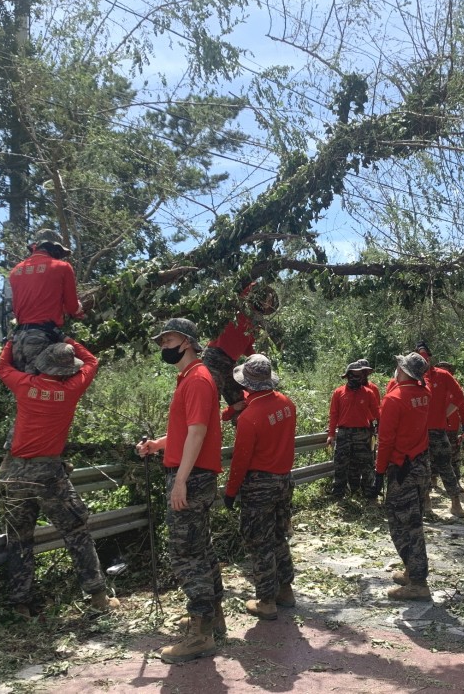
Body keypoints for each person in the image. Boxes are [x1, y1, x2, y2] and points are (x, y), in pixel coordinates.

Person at [0, 337, 118, 619]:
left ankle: (21, 604)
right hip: (49, 473)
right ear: (67, 371)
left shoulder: (25, 385)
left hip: (14, 473)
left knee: (18, 537)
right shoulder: (72, 390)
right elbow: (92, 361)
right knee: (75, 531)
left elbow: (3, 367)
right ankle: (98, 596)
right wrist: (68, 339)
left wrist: (12, 341)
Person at [137, 318, 225, 664]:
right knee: (200, 548)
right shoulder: (189, 378)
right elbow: (186, 431)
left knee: (187, 554)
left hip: (192, 477)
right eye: (161, 342)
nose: (164, 347)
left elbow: (198, 433)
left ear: (186, 342)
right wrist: (159, 445)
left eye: (168, 340)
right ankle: (212, 618)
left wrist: (180, 479)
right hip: (192, 472)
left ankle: (199, 633)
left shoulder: (198, 379)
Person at [223, 354, 298, 621]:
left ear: (247, 384)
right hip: (284, 480)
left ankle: (266, 600)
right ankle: (285, 590)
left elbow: (240, 460)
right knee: (279, 535)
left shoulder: (250, 418)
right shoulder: (287, 404)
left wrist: (230, 493)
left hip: (259, 486)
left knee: (259, 542)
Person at [375, 352, 432, 601]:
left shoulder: (394, 399)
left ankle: (418, 582)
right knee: (414, 518)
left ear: (402, 371)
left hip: (402, 469)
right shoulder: (425, 394)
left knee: (403, 525)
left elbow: (386, 441)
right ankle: (412, 570)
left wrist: (378, 472)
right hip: (420, 464)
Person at [8, 228, 83, 373]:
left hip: (18, 340)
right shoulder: (62, 267)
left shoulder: (15, 271)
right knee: (46, 388)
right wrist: (77, 308)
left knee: (25, 388)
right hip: (42, 338)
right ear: (54, 248)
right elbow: (72, 307)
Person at [201, 284, 279, 419]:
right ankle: (207, 435)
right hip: (214, 357)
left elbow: (247, 347)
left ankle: (247, 433)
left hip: (230, 364)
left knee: (241, 403)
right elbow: (249, 284)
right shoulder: (242, 302)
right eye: (267, 299)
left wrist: (257, 357)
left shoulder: (255, 323)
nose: (267, 303)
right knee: (210, 400)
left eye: (270, 302)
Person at [414, 342, 464, 518]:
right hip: (420, 431)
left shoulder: (442, 376)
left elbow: (459, 397)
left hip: (433, 431)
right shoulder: (412, 377)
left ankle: (454, 504)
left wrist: (444, 414)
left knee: (438, 467)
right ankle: (430, 504)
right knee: (430, 468)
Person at [327, 361, 380, 500]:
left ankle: (369, 495)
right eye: (353, 376)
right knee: (341, 464)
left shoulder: (368, 393)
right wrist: (331, 434)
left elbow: (377, 413)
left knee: (366, 465)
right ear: (348, 376)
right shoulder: (339, 393)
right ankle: (339, 495)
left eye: (359, 376)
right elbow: (333, 414)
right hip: (344, 433)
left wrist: (380, 429)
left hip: (363, 434)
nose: (356, 379)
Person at [437, 361, 464, 490]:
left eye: (446, 371)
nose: (443, 373)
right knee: (433, 456)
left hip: (452, 428)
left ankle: (456, 482)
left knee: (453, 456)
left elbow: (462, 408)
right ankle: (433, 481)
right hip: (436, 427)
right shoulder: (431, 386)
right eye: (441, 370)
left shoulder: (455, 388)